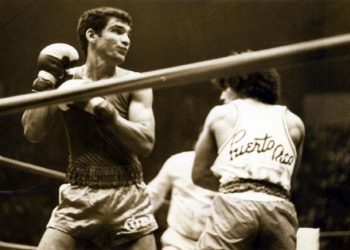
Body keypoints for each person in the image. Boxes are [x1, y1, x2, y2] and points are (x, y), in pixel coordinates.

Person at [21, 7, 158, 250]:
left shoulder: (135, 81)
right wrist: (45, 83)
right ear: (91, 35)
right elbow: (32, 132)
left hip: (128, 195)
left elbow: (146, 143)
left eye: (128, 34)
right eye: (117, 31)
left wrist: (105, 112)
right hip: (78, 194)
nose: (126, 40)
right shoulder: (65, 80)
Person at [192, 65, 305, 250]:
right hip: (278, 210)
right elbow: (290, 183)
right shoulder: (294, 122)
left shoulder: (221, 114)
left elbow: (199, 174)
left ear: (238, 84)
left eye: (226, 87)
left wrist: (236, 186)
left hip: (234, 207)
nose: (222, 96)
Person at [146, 151, 216, 250]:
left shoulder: (233, 169)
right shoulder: (178, 161)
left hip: (215, 245)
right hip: (176, 242)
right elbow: (152, 197)